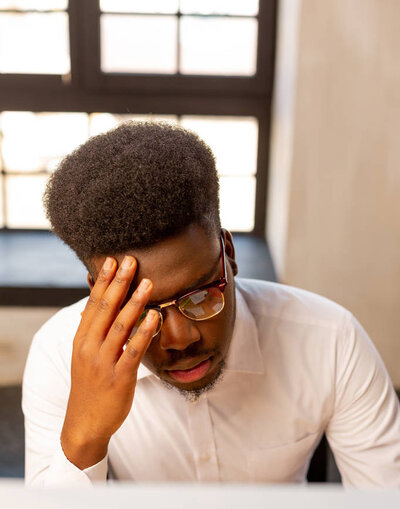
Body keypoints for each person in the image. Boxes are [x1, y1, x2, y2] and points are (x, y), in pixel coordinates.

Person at [23, 121, 400, 488]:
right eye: (139, 310)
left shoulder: (331, 340)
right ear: (98, 297)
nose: (179, 337)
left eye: (201, 295)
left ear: (228, 255)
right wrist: (84, 437)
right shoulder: (57, 354)